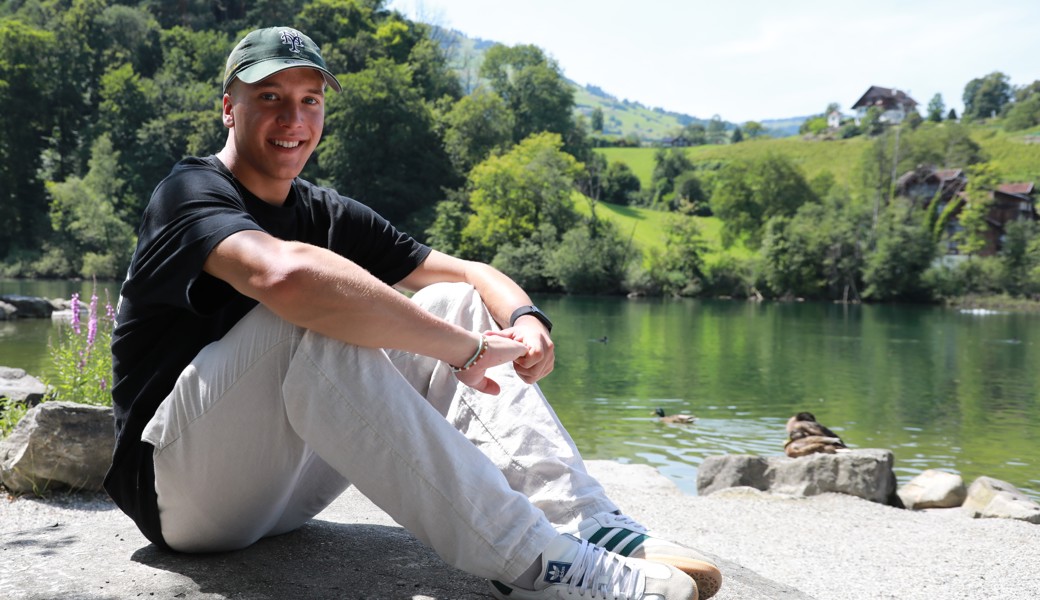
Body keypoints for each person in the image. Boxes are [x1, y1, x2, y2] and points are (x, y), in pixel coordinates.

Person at [105, 26, 722, 600]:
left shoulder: (326, 212)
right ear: (228, 108)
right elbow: (283, 276)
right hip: (180, 496)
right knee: (306, 323)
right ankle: (539, 564)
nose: (292, 118)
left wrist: (527, 320)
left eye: (310, 99)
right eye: (269, 96)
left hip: (282, 497)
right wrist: (463, 351)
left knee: (452, 302)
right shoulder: (188, 192)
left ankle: (584, 524)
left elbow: (471, 275)